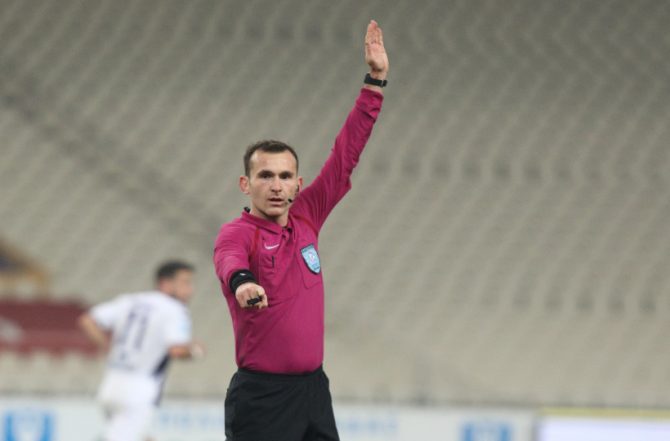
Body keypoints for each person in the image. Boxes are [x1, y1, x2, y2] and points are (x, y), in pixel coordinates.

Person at [213, 20, 389, 441]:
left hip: (313, 391)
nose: (276, 186)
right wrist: (243, 284)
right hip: (262, 398)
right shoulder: (238, 232)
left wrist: (375, 82)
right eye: (265, 176)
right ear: (245, 184)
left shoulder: (307, 215)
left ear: (298, 183)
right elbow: (229, 261)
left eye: (285, 176)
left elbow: (345, 154)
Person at [78, 260, 205, 441]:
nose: (190, 289)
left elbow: (87, 320)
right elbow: (176, 350)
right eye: (185, 282)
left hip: (111, 384)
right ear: (165, 283)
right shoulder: (175, 310)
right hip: (139, 389)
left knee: (138, 436)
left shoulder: (131, 301)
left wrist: (106, 346)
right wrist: (195, 351)